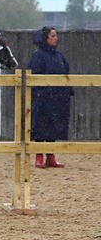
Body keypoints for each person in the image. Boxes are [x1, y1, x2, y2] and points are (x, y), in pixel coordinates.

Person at [28, 26, 72, 168]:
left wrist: (67, 90)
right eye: (53, 35)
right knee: (40, 126)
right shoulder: (38, 55)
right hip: (43, 98)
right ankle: (39, 156)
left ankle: (51, 156)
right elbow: (34, 75)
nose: (55, 38)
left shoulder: (58, 55)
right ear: (45, 38)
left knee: (54, 127)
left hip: (57, 98)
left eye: (56, 35)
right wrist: (39, 92)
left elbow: (66, 71)